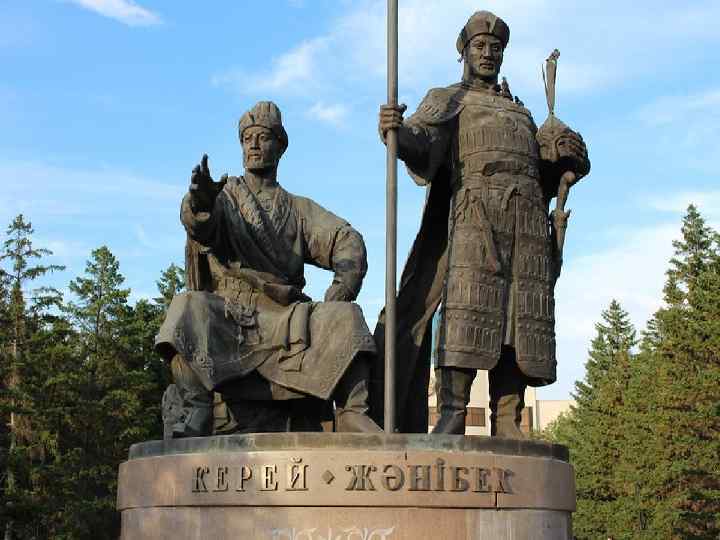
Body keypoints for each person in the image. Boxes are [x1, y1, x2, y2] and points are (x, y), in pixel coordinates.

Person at [373, 11, 590, 437]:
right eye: (480, 46)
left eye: (496, 48)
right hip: (475, 218)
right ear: (465, 52)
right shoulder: (449, 99)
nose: (488, 53)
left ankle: (507, 417)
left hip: (526, 225)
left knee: (519, 318)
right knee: (468, 308)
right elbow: (423, 142)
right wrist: (397, 134)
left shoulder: (521, 112)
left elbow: (546, 174)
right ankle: (452, 410)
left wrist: (567, 158)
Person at [156, 101, 381, 438]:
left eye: (263, 137)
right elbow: (202, 226)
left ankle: (351, 412)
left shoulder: (298, 208)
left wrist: (343, 286)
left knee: (347, 316)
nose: (254, 145)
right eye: (247, 139)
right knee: (188, 308)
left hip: (286, 318)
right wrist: (200, 202)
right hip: (232, 315)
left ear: (280, 146)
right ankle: (196, 408)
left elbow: (346, 239)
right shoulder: (225, 197)